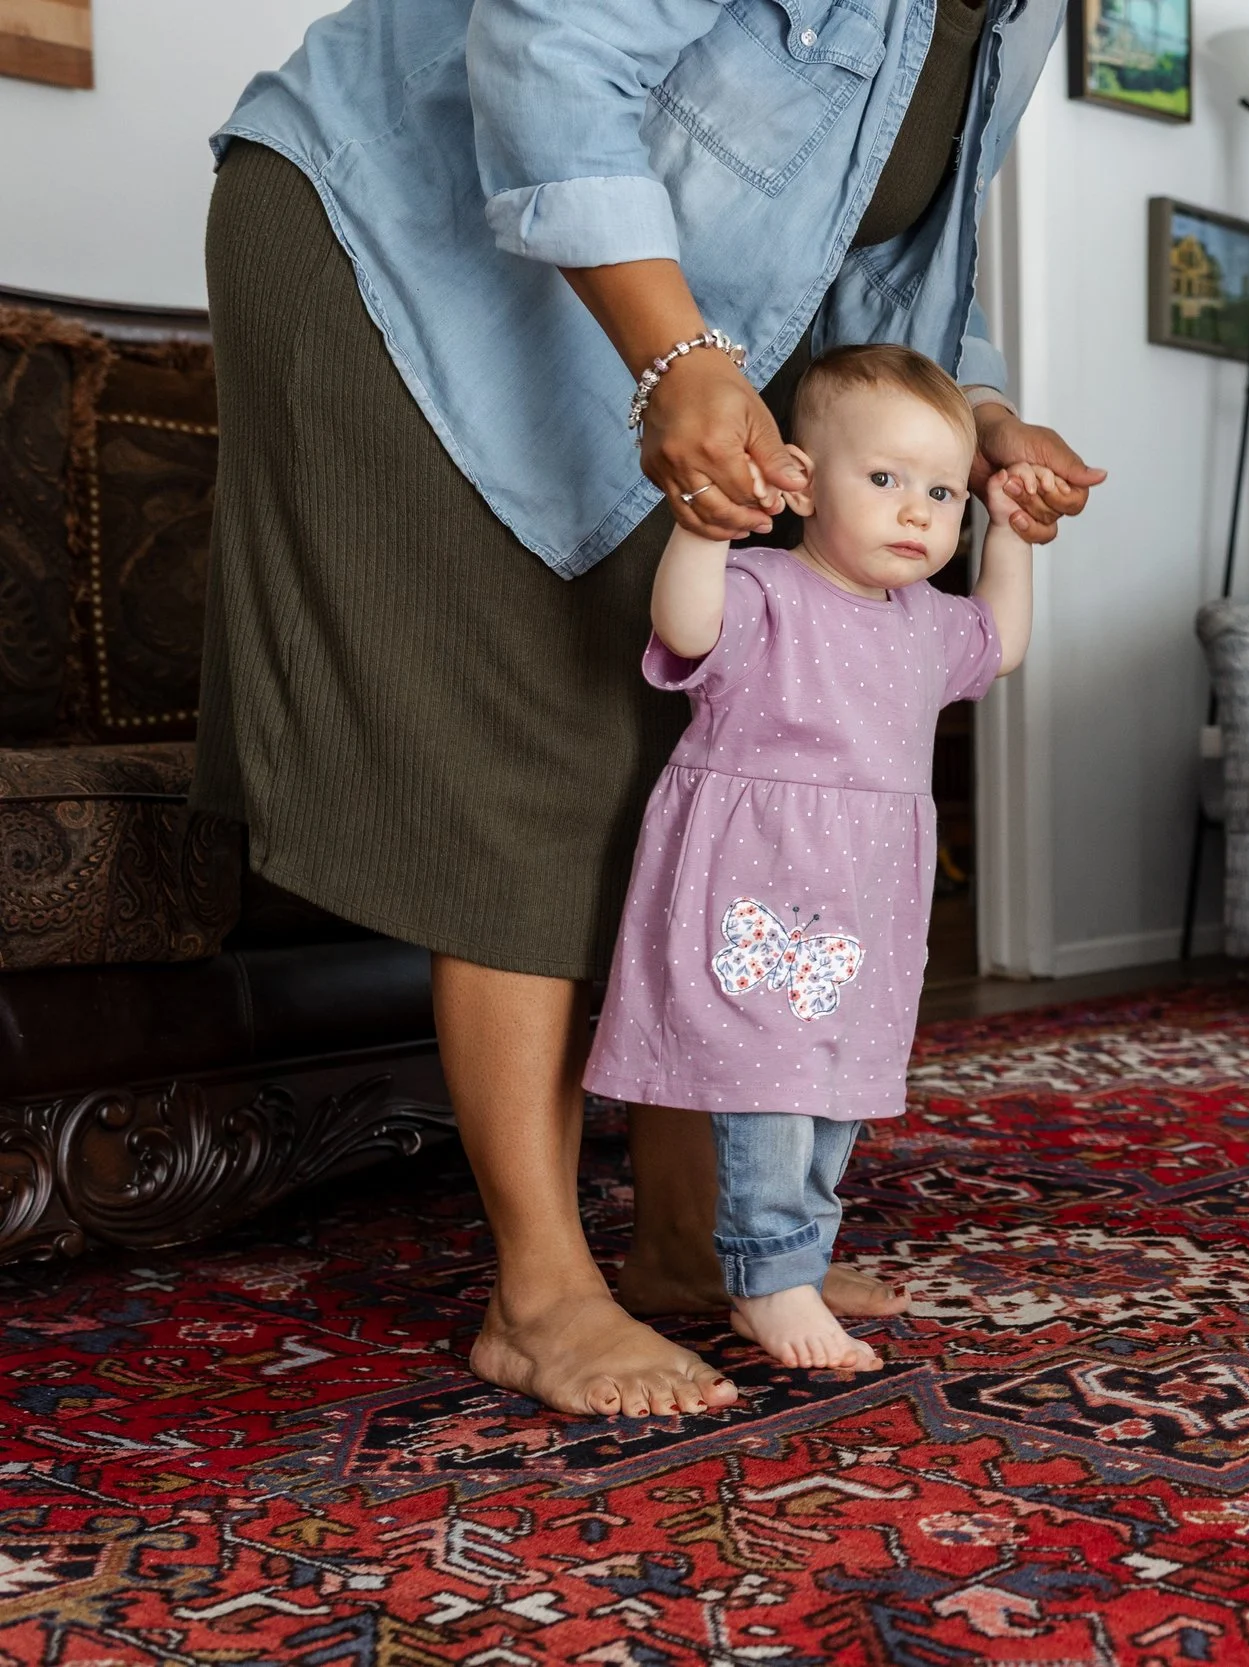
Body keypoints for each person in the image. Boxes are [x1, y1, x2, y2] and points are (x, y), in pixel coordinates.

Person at [195, 0, 1102, 1417]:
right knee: (536, 730)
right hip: (397, 237)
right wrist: (679, 358)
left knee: (694, 740)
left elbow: (887, 245)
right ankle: (542, 1290)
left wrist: (976, 417)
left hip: (655, 314)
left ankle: (690, 1237)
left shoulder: (1022, 17)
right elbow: (546, 51)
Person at [583, 345, 1048, 1367]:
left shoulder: (926, 622)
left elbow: (1001, 642)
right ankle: (771, 1275)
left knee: (837, 1084)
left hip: (867, 900)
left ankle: (795, 1251)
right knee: (768, 1078)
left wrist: (1008, 532)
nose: (917, 511)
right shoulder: (764, 587)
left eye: (939, 491)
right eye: (884, 480)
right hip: (758, 877)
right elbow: (683, 624)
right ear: (799, 477)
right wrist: (701, 531)